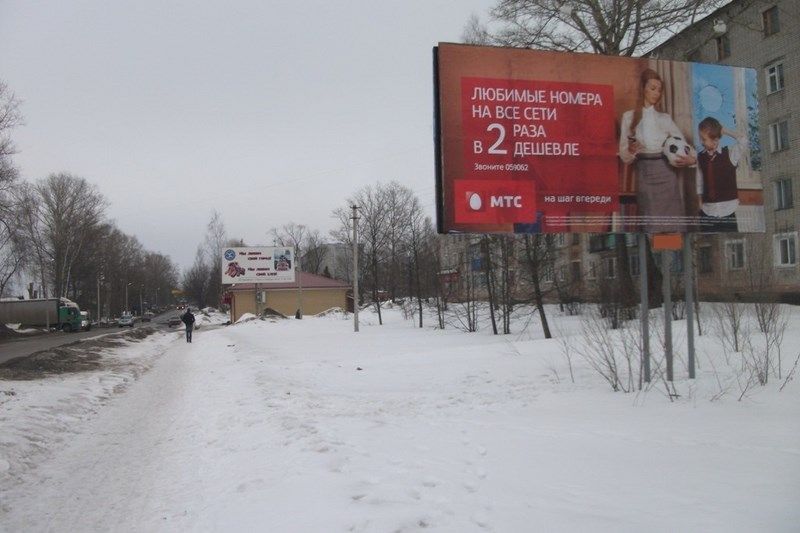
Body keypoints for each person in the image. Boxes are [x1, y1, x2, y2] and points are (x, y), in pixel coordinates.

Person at [619, 68, 696, 233]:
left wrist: (692, 160)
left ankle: (670, 254)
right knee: (652, 228)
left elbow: (684, 145)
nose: (656, 93)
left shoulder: (665, 118)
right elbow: (624, 155)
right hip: (645, 175)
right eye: (652, 88)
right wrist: (631, 150)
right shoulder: (629, 117)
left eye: (659, 90)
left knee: (672, 227)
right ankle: (660, 255)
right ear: (643, 89)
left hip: (667, 174)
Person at [695, 117, 745, 232]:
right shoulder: (700, 157)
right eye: (700, 138)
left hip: (728, 212)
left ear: (715, 140)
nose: (701, 142)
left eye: (703, 139)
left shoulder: (730, 154)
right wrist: (699, 204)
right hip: (707, 212)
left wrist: (725, 130)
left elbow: (743, 140)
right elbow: (699, 181)